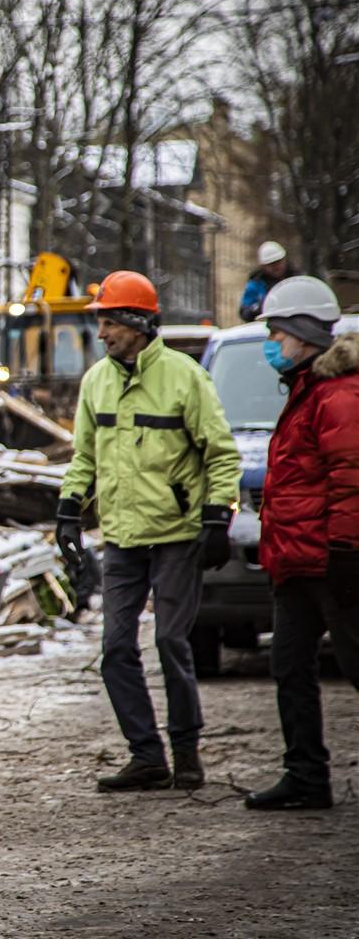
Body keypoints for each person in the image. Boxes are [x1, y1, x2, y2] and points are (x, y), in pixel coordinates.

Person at [56, 270, 241, 792]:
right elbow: (85, 456)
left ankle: (187, 754)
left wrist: (216, 517)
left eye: (110, 322)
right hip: (121, 538)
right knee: (115, 647)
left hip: (177, 534)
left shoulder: (184, 377)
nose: (103, 333)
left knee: (170, 642)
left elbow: (220, 453)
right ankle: (147, 756)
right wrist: (69, 510)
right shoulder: (96, 382)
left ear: (137, 323)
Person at [243, 277, 359, 811]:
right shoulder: (307, 390)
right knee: (290, 667)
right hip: (296, 562)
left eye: (276, 331)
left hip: (333, 563)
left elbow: (350, 478)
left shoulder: (338, 394)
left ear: (303, 335)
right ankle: (307, 776)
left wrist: (346, 554)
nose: (271, 342)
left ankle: (307, 773)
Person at [239, 241, 294, 322]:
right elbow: (245, 312)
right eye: (271, 264)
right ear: (263, 266)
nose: (276, 267)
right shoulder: (256, 284)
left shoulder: (296, 279)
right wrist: (258, 308)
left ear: (284, 260)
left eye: (278, 262)